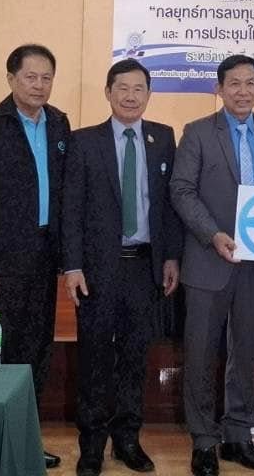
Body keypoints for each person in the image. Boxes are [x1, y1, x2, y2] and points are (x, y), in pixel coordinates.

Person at [170, 54, 254, 476]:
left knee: (245, 352)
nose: (243, 91)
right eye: (234, 84)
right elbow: (182, 190)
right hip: (210, 258)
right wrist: (213, 235)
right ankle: (204, 440)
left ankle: (238, 435)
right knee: (200, 352)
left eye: (250, 83)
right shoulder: (197, 132)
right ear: (219, 89)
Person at [62, 59, 183, 476]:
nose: (131, 97)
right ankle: (92, 446)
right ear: (108, 92)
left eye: (139, 89)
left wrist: (171, 257)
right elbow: (71, 208)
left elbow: (168, 206)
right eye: (123, 89)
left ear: (148, 94)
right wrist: (72, 266)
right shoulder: (84, 141)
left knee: (135, 358)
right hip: (98, 270)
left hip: (144, 267)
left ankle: (128, 439)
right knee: (94, 359)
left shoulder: (163, 138)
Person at [0, 43, 70, 471]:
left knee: (36, 353)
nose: (39, 85)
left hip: (43, 260)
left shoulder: (59, 123)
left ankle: (25, 442)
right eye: (30, 77)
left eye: (46, 78)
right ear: (11, 79)